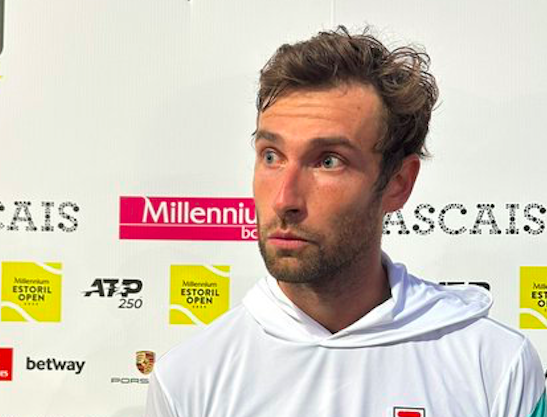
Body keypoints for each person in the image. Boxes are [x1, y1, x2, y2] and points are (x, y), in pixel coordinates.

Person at [145, 26, 546, 417]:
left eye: (328, 161)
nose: (285, 199)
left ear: (398, 183)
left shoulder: (494, 366)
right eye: (271, 156)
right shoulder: (187, 379)